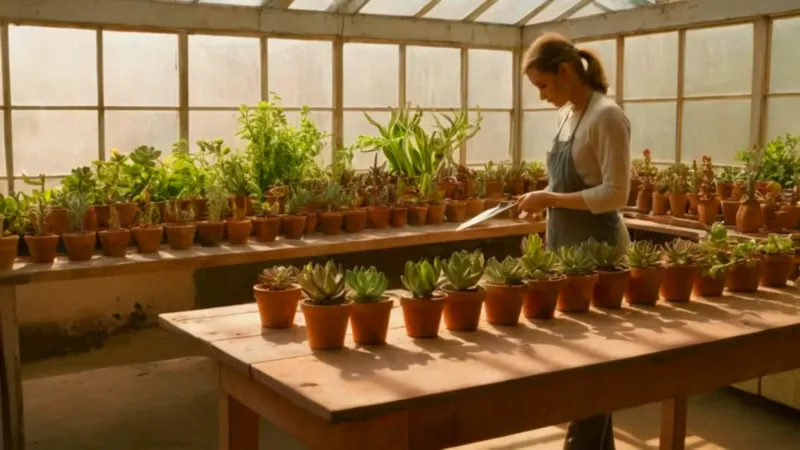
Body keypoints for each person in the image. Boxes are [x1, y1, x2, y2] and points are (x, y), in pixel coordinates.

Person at [518, 33, 631, 450]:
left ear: (565, 71)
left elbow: (616, 194)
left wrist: (550, 198)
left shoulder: (606, 116)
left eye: (544, 85)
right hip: (568, 254)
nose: (543, 96)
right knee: (582, 372)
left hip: (599, 258)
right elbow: (570, 182)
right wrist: (541, 199)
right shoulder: (569, 114)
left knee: (592, 376)